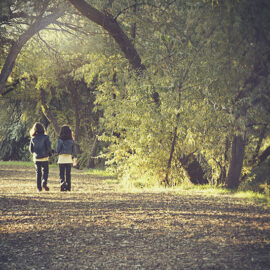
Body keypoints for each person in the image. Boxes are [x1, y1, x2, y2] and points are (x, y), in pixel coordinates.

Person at [29, 122, 52, 192]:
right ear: (42, 129)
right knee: (45, 171)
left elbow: (31, 150)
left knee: (38, 173)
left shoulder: (33, 138)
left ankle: (39, 188)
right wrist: (50, 153)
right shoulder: (46, 137)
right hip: (45, 157)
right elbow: (48, 147)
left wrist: (35, 154)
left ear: (34, 130)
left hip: (36, 158)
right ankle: (44, 182)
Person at [56, 125, 77, 191]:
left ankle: (62, 182)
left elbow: (57, 149)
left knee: (61, 173)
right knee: (68, 174)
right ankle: (68, 187)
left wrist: (56, 152)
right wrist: (75, 158)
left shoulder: (60, 140)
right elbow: (74, 151)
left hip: (61, 159)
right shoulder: (72, 141)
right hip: (69, 159)